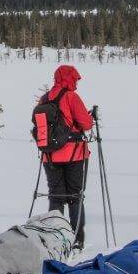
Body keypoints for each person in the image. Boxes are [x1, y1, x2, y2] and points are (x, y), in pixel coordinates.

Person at [39, 65, 94, 251]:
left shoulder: (45, 98)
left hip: (49, 156)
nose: (77, 83)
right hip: (74, 154)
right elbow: (86, 124)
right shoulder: (71, 97)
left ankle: (54, 237)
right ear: (68, 79)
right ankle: (77, 239)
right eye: (75, 79)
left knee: (56, 197)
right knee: (75, 196)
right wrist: (89, 117)